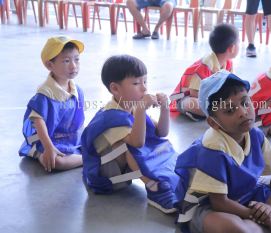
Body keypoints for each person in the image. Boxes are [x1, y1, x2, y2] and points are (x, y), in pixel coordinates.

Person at [175, 70, 271, 233]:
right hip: (208, 206)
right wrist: (269, 218)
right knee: (235, 228)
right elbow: (219, 202)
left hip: (244, 193)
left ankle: (269, 222)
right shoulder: (212, 148)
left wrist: (269, 209)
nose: (243, 112)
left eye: (245, 103)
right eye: (230, 110)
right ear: (213, 123)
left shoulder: (254, 133)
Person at [81, 55, 179, 214]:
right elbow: (138, 143)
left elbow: (161, 133)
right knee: (129, 145)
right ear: (115, 88)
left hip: (124, 168)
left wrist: (165, 108)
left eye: (145, 81)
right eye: (136, 83)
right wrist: (141, 110)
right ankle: (155, 189)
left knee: (153, 141)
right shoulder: (111, 117)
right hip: (106, 176)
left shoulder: (131, 106)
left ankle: (170, 176)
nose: (144, 88)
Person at [18, 36, 85, 172]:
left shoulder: (77, 90)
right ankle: (37, 153)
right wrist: (48, 147)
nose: (74, 66)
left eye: (76, 59)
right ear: (50, 65)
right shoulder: (44, 94)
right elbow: (38, 122)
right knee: (57, 162)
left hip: (69, 138)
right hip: (47, 139)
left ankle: (84, 157)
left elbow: (78, 121)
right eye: (66, 61)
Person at [170, 23, 239, 121]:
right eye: (238, 43)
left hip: (211, 99)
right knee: (195, 104)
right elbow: (194, 92)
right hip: (184, 97)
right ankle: (210, 113)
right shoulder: (205, 66)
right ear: (232, 48)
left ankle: (212, 113)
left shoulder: (228, 63)